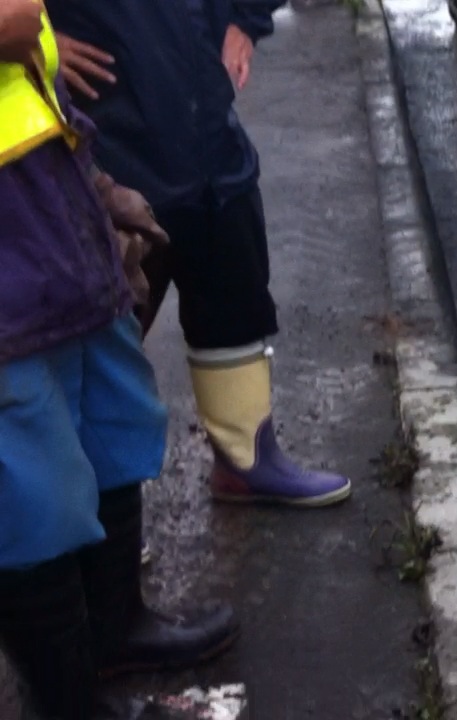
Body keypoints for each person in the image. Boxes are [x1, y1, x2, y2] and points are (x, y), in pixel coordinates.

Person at [0, 2, 239, 717]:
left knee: (110, 420)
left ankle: (114, 630)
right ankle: (67, 702)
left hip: (50, 206)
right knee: (26, 481)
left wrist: (92, 185)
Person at [44, 0, 353, 508]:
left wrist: (246, 17)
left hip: (207, 130)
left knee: (232, 284)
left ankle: (246, 459)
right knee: (107, 328)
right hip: (110, 138)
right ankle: (100, 519)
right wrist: (32, 43)